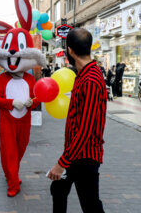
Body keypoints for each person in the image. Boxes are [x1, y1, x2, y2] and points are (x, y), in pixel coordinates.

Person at [48, 28, 107, 213]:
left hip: (85, 155)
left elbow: (86, 130)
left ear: (70, 51)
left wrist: (62, 163)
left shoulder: (90, 80)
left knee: (91, 206)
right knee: (58, 189)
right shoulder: (83, 75)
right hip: (75, 152)